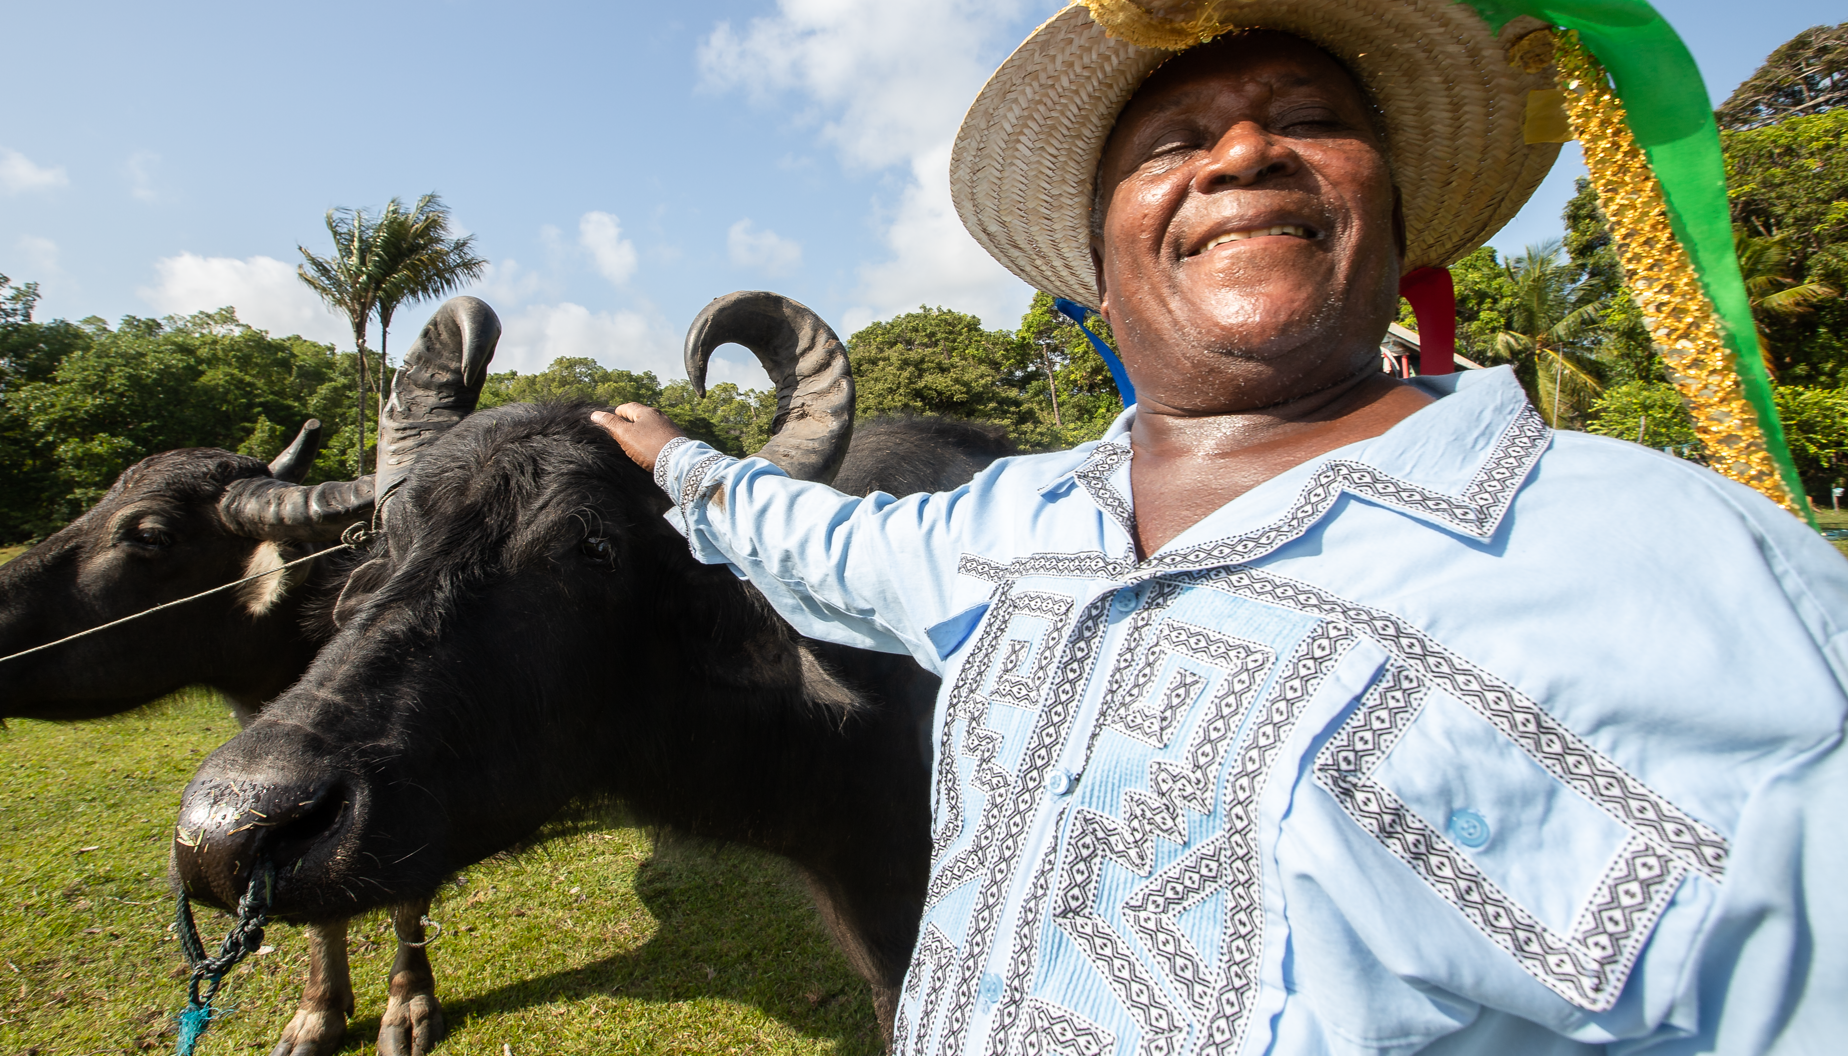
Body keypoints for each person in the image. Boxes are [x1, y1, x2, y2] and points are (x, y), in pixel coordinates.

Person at [597, 2, 1846, 1052]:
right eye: (1173, 142)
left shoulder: (1695, 573)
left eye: (1308, 119)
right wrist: (675, 457)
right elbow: (812, 542)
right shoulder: (1008, 521)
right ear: (1096, 262)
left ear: (1402, 226)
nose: (1244, 151)